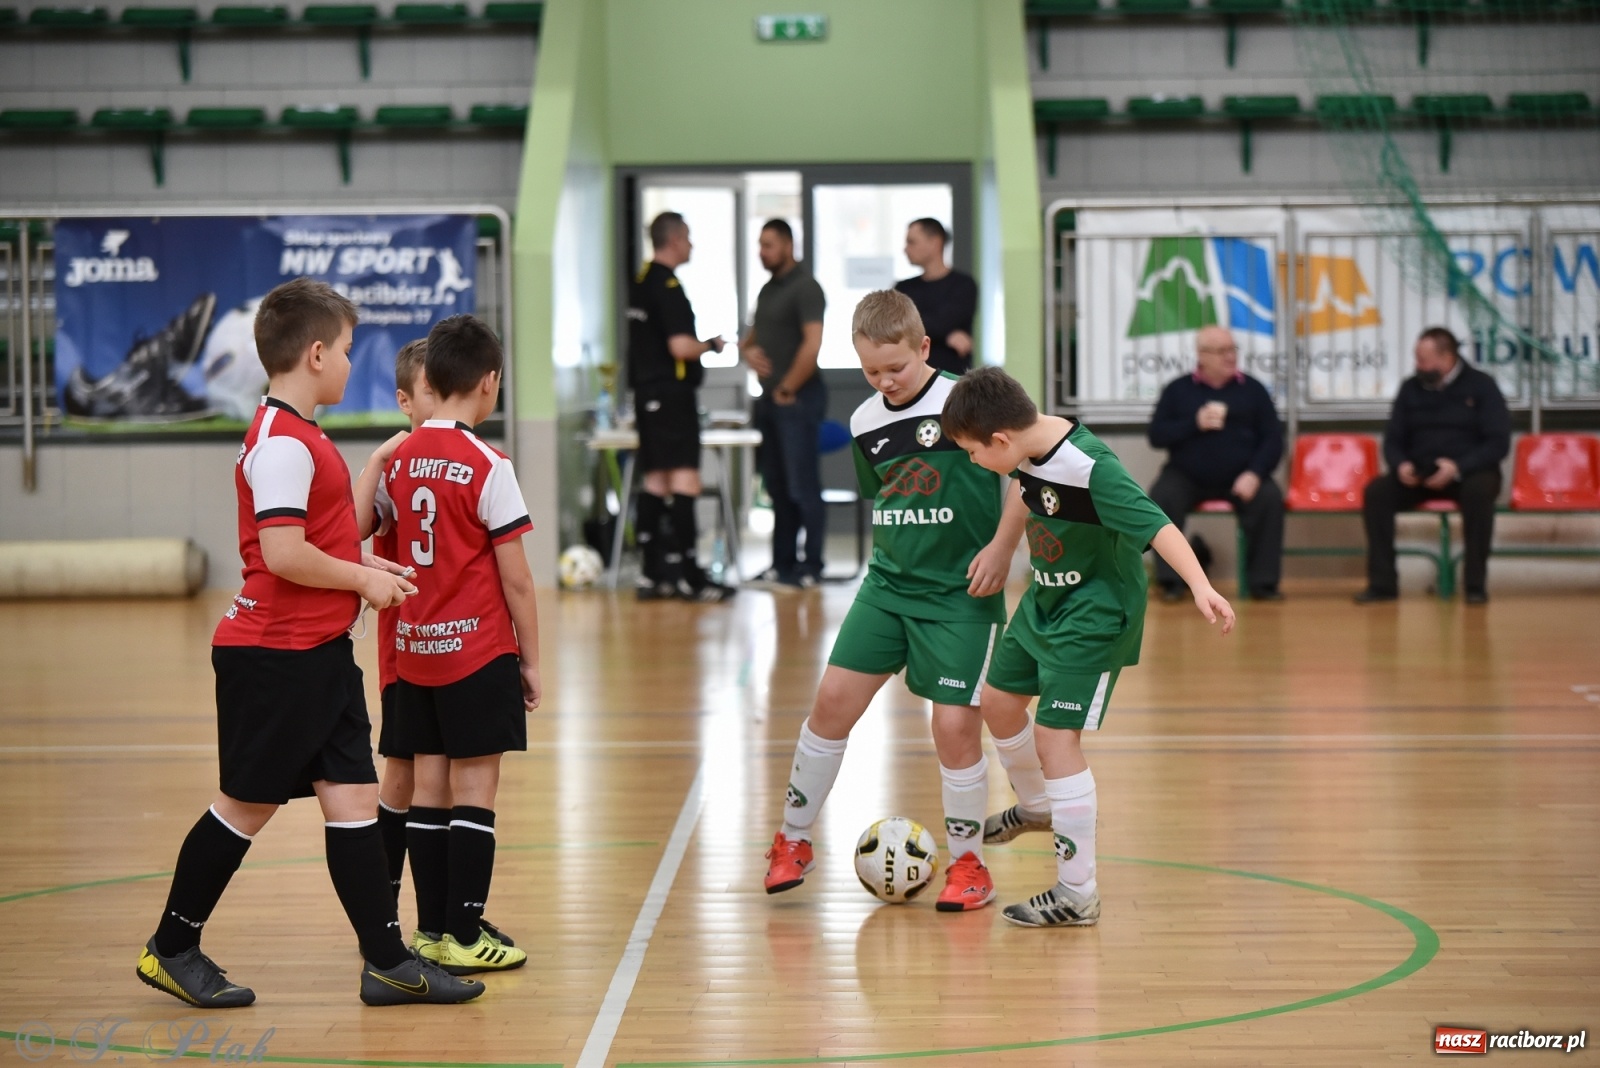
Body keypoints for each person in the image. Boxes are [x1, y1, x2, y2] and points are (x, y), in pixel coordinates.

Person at [136, 278, 483, 1008]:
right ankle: (172, 945)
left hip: (318, 655)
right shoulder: (282, 445)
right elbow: (284, 553)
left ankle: (387, 963)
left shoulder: (302, 435)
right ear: (317, 353)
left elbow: (322, 538)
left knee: (354, 800)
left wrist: (368, 551)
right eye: (349, 350)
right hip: (275, 657)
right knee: (245, 807)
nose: (353, 363)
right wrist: (362, 579)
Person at [942, 367, 1235, 928]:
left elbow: (1159, 526)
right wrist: (1003, 546)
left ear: (999, 439)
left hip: (1095, 614)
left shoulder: (1090, 467)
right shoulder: (1026, 445)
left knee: (1056, 738)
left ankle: (1078, 893)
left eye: (972, 452)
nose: (973, 462)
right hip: (1045, 599)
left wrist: (1201, 587)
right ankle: (1038, 807)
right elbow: (1023, 486)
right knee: (998, 702)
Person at [762, 290, 1022, 910]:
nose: (885, 381)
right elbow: (887, 496)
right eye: (871, 371)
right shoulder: (864, 422)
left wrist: (1002, 548)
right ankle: (793, 838)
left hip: (962, 596)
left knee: (954, 728)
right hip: (887, 588)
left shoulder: (968, 402)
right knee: (830, 703)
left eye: (896, 368)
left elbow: (1027, 475)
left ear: (924, 347)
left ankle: (969, 864)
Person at [373, 314, 540, 976]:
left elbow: (364, 532)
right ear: (489, 382)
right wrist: (530, 660)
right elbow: (517, 580)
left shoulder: (398, 459)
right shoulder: (488, 464)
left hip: (415, 651)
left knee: (429, 790)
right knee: (474, 791)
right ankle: (465, 934)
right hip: (477, 652)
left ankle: (433, 930)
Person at [1355, 326, 1510, 605]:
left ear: (1447, 358)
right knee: (1377, 493)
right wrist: (1401, 464)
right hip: (1420, 473)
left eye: (1423, 360)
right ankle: (1383, 584)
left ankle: (1475, 585)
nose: (1418, 366)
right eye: (1417, 359)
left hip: (1468, 472)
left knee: (1479, 493)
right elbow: (1393, 439)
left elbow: (1498, 443)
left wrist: (1458, 467)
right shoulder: (1410, 388)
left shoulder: (1482, 386)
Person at [627, 211, 734, 603]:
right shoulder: (668, 286)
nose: (691, 245)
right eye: (687, 238)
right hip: (671, 396)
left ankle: (653, 574)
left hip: (647, 396)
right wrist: (712, 344)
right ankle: (691, 577)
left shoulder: (641, 281)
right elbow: (680, 347)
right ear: (673, 240)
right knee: (686, 480)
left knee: (656, 481)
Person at [1146, 325, 1285, 601]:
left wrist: (1255, 473)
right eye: (1222, 351)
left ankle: (1263, 584)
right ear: (1202, 355)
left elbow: (1273, 439)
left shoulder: (1253, 390)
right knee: (1162, 497)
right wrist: (1194, 423)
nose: (1230, 356)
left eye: (1232, 349)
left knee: (1269, 498)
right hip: (1187, 475)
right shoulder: (1178, 390)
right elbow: (1156, 435)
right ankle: (1171, 582)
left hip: (1241, 475)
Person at [742, 219, 828, 589]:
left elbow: (813, 343)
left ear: (788, 245)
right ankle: (782, 565)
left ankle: (812, 566)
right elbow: (751, 339)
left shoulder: (806, 288)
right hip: (769, 402)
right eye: (760, 245)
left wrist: (788, 388)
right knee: (776, 487)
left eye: (769, 245)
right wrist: (749, 353)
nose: (762, 252)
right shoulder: (767, 290)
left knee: (802, 486)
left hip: (798, 399)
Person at [894, 218, 978, 376]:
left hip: (953, 379)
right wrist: (947, 336)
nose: (905, 249)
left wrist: (918, 327)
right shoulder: (903, 288)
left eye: (912, 242)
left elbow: (941, 322)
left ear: (935, 242)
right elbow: (897, 326)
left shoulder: (963, 285)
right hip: (911, 378)